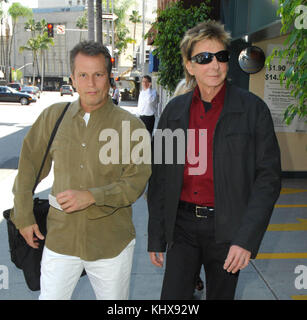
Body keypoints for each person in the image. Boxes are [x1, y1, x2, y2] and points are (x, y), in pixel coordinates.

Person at [147, 21, 281, 300]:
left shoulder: (253, 110)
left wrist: (245, 239)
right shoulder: (174, 112)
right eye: (203, 58)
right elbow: (159, 179)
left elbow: (267, 179)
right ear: (189, 65)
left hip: (228, 228)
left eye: (221, 56)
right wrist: (156, 236)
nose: (215, 65)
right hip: (181, 227)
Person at [11, 41, 151, 300]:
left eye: (98, 74)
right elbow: (29, 165)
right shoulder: (53, 117)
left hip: (111, 244)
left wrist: (93, 195)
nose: (91, 83)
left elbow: (135, 182)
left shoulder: (131, 126)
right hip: (60, 240)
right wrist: (24, 215)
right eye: (83, 75)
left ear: (109, 78)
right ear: (73, 79)